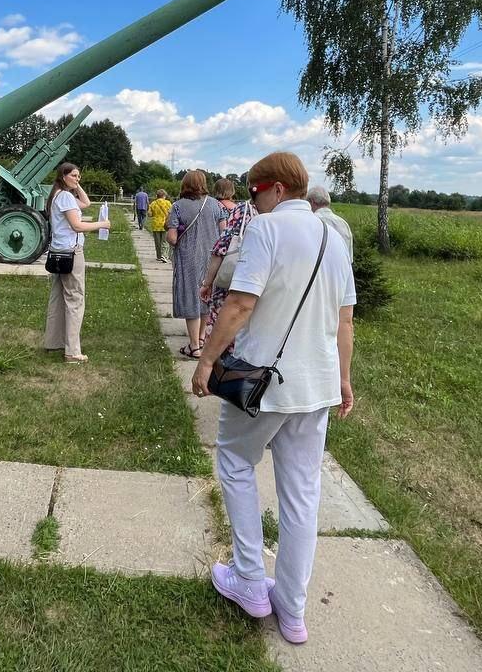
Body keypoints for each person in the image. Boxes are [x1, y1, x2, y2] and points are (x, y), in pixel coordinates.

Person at [191, 152, 356, 645]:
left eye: (254, 189)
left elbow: (241, 303)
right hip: (318, 385)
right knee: (303, 495)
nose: (251, 199)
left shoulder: (267, 231)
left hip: (263, 381)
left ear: (278, 189)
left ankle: (247, 579)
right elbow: (344, 319)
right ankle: (293, 607)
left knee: (237, 463)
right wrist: (344, 380)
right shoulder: (334, 235)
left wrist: (205, 361)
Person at [43, 162, 110, 364]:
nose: (77, 179)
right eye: (73, 175)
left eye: (79, 176)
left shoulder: (59, 195)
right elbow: (77, 225)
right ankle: (72, 352)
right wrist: (102, 224)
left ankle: (53, 342)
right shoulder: (65, 197)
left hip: (57, 252)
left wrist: (75, 184)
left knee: (58, 297)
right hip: (71, 253)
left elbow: (86, 203)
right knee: (75, 299)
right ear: (63, 176)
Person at [166, 170, 225, 358]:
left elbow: (173, 238)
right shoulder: (216, 205)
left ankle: (193, 346)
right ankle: (200, 339)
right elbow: (224, 232)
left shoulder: (177, 206)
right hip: (211, 260)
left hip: (187, 259)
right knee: (206, 298)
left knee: (191, 299)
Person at [199, 193, 256, 347]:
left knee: (221, 333)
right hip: (260, 287)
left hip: (232, 281)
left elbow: (221, 248)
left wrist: (207, 282)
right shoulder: (278, 216)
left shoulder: (244, 210)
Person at [307, 185, 354, 262]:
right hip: (341, 271)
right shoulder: (343, 223)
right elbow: (349, 259)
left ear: (311, 202)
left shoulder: (310, 221)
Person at [147, 189, 172, 262]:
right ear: (164, 196)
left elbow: (149, 214)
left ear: (157, 196)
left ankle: (158, 256)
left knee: (157, 242)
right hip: (165, 224)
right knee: (165, 241)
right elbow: (172, 213)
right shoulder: (168, 203)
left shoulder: (153, 203)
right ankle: (164, 255)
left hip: (156, 224)